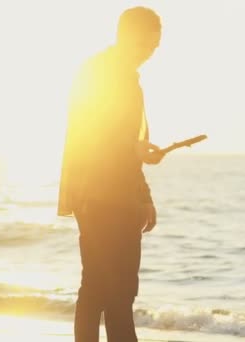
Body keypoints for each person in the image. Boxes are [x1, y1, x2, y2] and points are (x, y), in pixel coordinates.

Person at [57, 7, 164, 342]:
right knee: (100, 290)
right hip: (96, 196)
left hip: (121, 197)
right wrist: (132, 149)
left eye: (154, 48)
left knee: (119, 291)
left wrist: (144, 195)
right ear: (126, 36)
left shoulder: (130, 80)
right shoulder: (96, 73)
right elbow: (89, 134)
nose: (149, 54)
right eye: (145, 45)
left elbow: (130, 148)